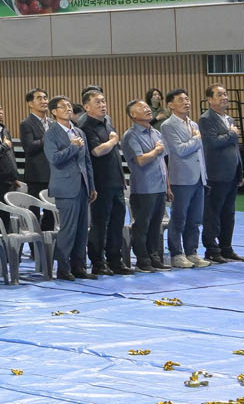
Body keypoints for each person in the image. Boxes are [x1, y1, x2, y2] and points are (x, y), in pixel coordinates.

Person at [79, 88, 129, 276]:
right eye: (97, 102)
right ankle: (98, 262)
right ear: (87, 107)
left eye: (103, 101)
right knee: (100, 224)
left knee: (117, 222)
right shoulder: (86, 125)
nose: (102, 105)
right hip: (100, 182)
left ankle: (115, 260)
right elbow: (97, 151)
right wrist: (113, 141)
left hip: (116, 180)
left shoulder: (107, 121)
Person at [44, 96, 94, 281]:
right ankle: (63, 268)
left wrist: (91, 185)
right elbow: (54, 159)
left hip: (82, 186)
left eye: (69, 106)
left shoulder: (79, 132)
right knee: (68, 229)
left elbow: (87, 161)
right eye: (63, 106)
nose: (68, 108)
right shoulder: (51, 133)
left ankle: (79, 266)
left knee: (82, 230)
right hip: (65, 187)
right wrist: (73, 147)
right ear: (54, 112)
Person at [159, 89, 209, 270]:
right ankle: (176, 253)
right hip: (181, 178)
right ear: (170, 105)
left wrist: (204, 174)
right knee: (179, 218)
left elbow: (200, 153)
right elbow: (179, 150)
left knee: (195, 219)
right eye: (181, 100)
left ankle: (192, 251)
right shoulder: (168, 125)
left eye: (187, 99)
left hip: (198, 177)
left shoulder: (193, 124)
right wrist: (196, 139)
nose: (186, 102)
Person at [199, 85, 244, 263]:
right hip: (216, 174)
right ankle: (212, 249)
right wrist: (231, 134)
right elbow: (212, 143)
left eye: (225, 94)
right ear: (210, 100)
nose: (224, 97)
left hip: (231, 174)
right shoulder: (206, 119)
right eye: (219, 95)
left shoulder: (229, 119)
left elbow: (234, 149)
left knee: (228, 213)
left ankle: (226, 247)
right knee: (213, 213)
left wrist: (240, 171)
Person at [121, 101, 169, 271]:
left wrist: (168, 186)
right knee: (142, 225)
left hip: (159, 186)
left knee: (156, 225)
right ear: (133, 115)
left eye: (147, 107)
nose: (147, 109)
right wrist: (156, 151)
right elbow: (140, 160)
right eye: (142, 108)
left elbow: (163, 161)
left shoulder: (155, 132)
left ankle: (154, 257)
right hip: (144, 187)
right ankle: (142, 260)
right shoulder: (131, 135)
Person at [18, 89, 51, 196]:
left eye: (45, 98)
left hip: (54, 174)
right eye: (39, 98)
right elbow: (29, 147)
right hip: (37, 176)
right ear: (30, 104)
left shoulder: (53, 122)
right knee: (37, 205)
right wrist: (48, 138)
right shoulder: (26, 123)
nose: (44, 101)